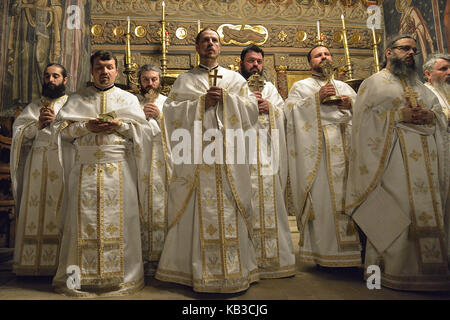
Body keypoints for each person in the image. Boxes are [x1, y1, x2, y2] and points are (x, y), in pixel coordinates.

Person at [155, 28, 260, 293]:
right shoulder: (184, 81)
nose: (210, 44)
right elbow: (171, 114)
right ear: (197, 46)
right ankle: (194, 272)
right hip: (197, 157)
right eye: (205, 40)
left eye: (214, 40)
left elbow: (251, 113)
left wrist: (227, 99)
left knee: (230, 208)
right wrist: (202, 104)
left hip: (228, 158)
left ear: (220, 47)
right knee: (195, 210)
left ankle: (236, 272)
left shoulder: (236, 80)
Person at [345, 35, 450, 291]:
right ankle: (390, 272)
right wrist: (396, 116)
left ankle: (432, 274)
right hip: (391, 164)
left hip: (426, 164)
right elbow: (361, 125)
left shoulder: (423, 88)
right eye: (405, 48)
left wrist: (431, 116)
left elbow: (439, 115)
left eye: (414, 49)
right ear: (389, 52)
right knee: (398, 212)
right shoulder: (374, 84)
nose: (411, 53)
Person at [50, 50, 153, 297]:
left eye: (109, 67)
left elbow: (144, 134)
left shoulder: (128, 100)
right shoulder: (76, 99)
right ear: (92, 71)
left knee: (122, 224)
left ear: (116, 71)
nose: (104, 72)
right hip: (83, 170)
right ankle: (78, 279)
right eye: (99, 68)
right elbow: (61, 133)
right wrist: (86, 126)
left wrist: (120, 125)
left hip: (119, 171)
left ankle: (121, 278)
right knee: (80, 225)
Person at [284, 45, 362, 268]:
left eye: (327, 54)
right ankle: (323, 255)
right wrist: (315, 99)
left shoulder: (345, 86)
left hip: (347, 149)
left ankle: (355, 254)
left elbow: (364, 113)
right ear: (310, 63)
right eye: (318, 55)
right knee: (323, 202)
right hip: (318, 154)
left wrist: (352, 103)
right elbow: (290, 114)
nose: (324, 57)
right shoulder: (301, 86)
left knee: (350, 198)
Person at [239, 45, 295, 278]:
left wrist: (269, 108)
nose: (256, 66)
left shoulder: (270, 88)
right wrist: (247, 105)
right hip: (241, 153)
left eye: (260, 62)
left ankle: (272, 258)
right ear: (242, 62)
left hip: (267, 153)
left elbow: (284, 115)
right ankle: (246, 259)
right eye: (251, 61)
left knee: (270, 201)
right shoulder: (236, 85)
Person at [11, 63, 69, 276]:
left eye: (55, 76)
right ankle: (29, 265)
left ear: (65, 80)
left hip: (61, 161)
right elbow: (19, 132)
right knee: (34, 207)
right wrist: (36, 126)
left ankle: (57, 265)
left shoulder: (71, 105)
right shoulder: (34, 107)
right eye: (47, 76)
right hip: (36, 164)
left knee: (59, 206)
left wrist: (57, 123)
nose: (50, 80)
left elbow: (76, 131)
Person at [135, 64, 171, 276]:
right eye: (146, 79)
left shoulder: (168, 104)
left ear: (160, 81)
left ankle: (164, 258)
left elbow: (180, 130)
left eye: (154, 80)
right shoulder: (132, 103)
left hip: (163, 164)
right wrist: (140, 116)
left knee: (163, 207)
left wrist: (160, 117)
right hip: (139, 162)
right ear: (139, 81)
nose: (150, 84)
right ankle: (140, 256)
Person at [423, 54, 450, 121]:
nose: (449, 72)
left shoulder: (447, 88)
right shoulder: (424, 94)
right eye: (443, 69)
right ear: (428, 74)